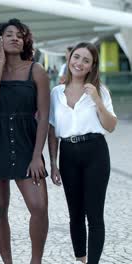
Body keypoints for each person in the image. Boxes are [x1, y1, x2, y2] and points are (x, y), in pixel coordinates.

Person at [0, 19, 50, 264]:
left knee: (38, 207)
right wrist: (1, 64)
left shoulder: (36, 70)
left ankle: (35, 261)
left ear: (25, 41)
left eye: (20, 35)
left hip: (28, 141)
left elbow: (45, 115)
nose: (15, 38)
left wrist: (38, 155)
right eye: (9, 35)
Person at [48, 42, 117, 264]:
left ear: (91, 66)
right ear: (69, 60)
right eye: (76, 57)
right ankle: (81, 259)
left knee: (94, 215)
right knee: (75, 214)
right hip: (68, 153)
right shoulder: (56, 93)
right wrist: (53, 162)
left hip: (95, 152)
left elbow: (110, 125)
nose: (79, 63)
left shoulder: (100, 91)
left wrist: (97, 100)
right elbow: (51, 129)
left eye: (86, 60)